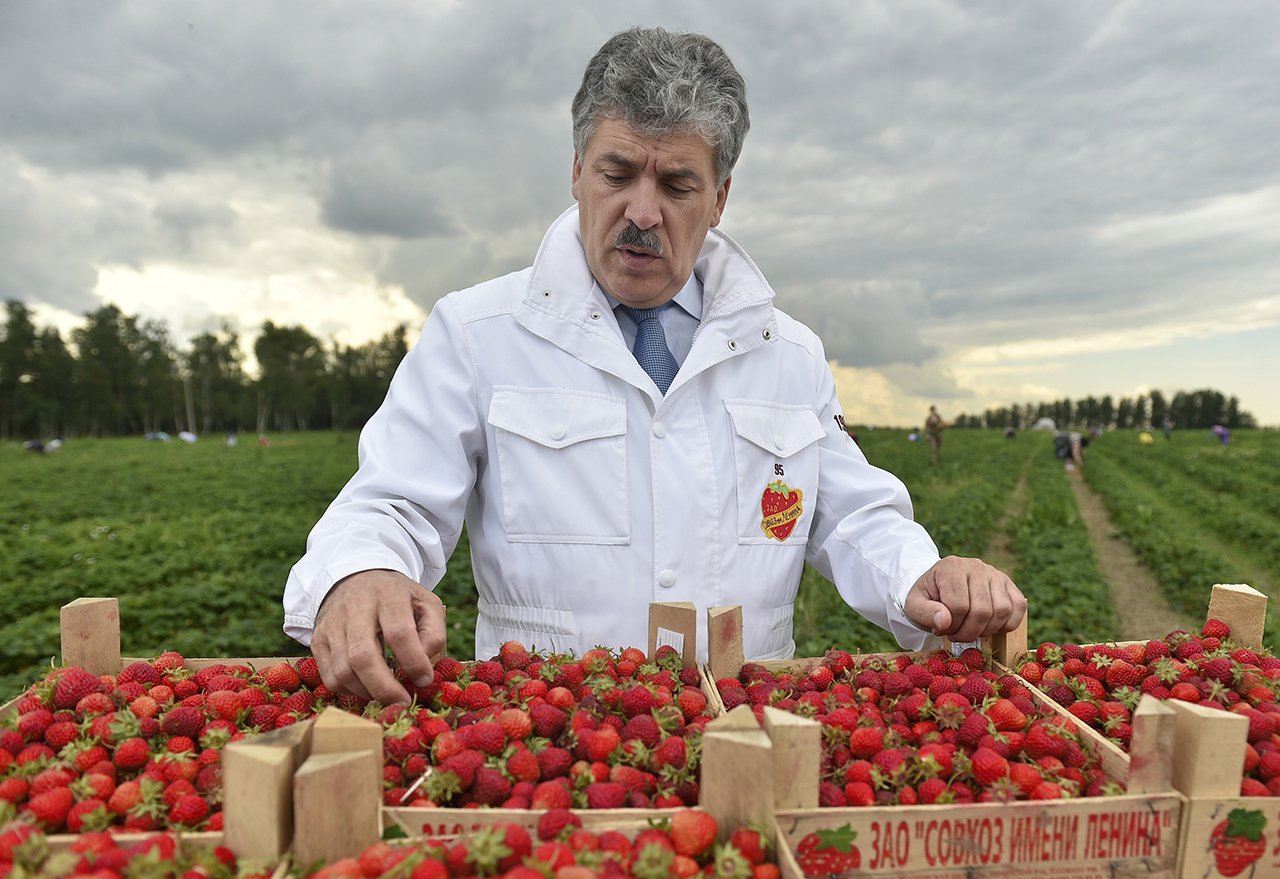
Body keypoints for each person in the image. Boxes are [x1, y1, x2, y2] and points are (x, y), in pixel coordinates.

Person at [283, 27, 1025, 704]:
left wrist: (920, 579)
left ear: (720, 197)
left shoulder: (786, 353)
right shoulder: (478, 334)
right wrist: (359, 571)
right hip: (552, 743)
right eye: (618, 173)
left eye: (676, 184)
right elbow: (392, 500)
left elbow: (856, 516)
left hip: (748, 729)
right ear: (577, 171)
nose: (642, 210)